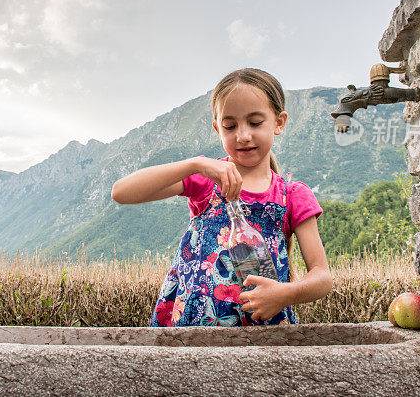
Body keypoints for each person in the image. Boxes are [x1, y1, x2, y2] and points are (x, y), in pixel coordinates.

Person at [111, 68, 333, 326]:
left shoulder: (293, 195)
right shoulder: (206, 180)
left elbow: (322, 277)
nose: (243, 136)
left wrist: (285, 294)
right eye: (230, 126)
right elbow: (121, 192)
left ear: (279, 122)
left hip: (264, 331)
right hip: (194, 329)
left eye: (255, 122)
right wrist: (194, 164)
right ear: (218, 128)